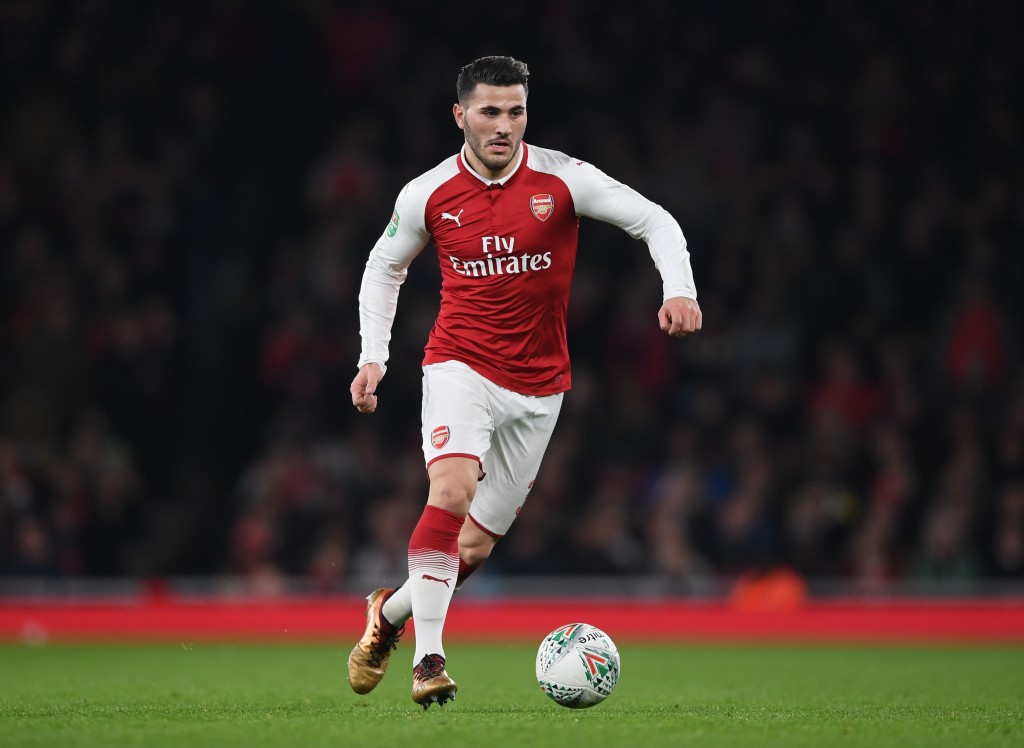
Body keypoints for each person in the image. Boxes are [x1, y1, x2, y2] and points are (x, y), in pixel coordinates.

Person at [346, 55, 702, 708]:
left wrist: (678, 289)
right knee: (449, 491)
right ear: (461, 116)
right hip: (459, 366)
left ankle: (388, 613)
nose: (504, 125)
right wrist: (375, 356)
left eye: (515, 111)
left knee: (473, 548)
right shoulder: (426, 194)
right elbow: (383, 266)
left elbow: (655, 219)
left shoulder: (563, 179)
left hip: (540, 389)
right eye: (489, 111)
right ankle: (429, 659)